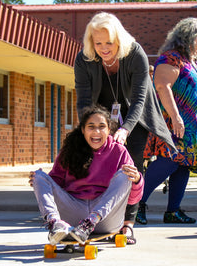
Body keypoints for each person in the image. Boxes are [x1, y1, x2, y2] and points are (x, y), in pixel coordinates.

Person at [136, 17, 197, 225]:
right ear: (189, 37)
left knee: (183, 165)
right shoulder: (171, 59)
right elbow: (162, 86)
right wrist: (176, 117)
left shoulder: (195, 62)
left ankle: (173, 211)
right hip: (173, 124)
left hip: (192, 127)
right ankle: (135, 204)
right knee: (169, 161)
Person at [74, 12, 176, 174]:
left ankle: (134, 199)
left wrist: (125, 129)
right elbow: (84, 101)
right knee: (103, 161)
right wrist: (90, 127)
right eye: (98, 43)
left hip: (135, 115)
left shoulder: (135, 54)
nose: (103, 48)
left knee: (133, 160)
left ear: (119, 40)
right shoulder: (83, 59)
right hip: (102, 115)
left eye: (109, 42)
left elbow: (139, 98)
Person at [30, 105, 143, 246]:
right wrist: (41, 182)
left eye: (102, 126)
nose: (96, 131)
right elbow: (55, 183)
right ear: (83, 130)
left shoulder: (119, 151)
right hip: (73, 212)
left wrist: (137, 180)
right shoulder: (70, 150)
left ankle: (90, 223)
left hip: (105, 218)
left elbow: (133, 200)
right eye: (91, 126)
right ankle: (55, 224)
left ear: (109, 130)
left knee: (126, 174)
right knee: (38, 175)